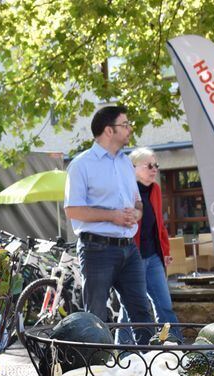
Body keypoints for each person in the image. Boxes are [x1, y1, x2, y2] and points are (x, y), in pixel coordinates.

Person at [64, 105, 153, 344]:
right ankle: (97, 373)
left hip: (129, 248)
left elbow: (137, 202)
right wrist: (111, 216)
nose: (130, 129)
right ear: (108, 131)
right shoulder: (81, 165)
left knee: (142, 311)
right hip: (97, 250)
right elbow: (72, 209)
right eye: (125, 125)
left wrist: (137, 213)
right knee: (95, 317)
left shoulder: (125, 163)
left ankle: (150, 368)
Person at [115, 147, 179, 340]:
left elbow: (159, 225)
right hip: (130, 258)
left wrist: (165, 251)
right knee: (130, 309)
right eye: (149, 165)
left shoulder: (156, 190)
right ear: (133, 168)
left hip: (153, 257)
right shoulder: (123, 191)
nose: (154, 169)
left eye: (156, 165)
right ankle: (123, 353)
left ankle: (173, 347)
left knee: (164, 305)